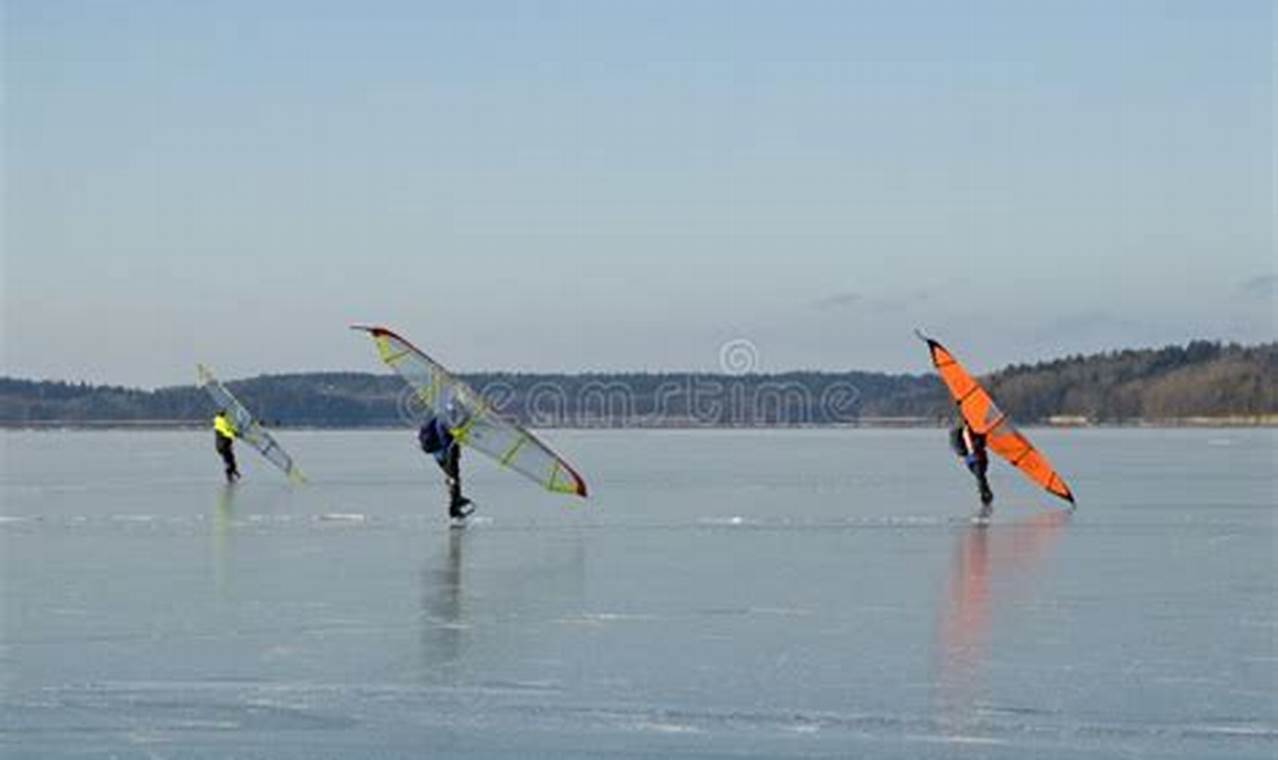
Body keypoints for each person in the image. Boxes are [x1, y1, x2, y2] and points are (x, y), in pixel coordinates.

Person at [419, 410, 473, 520]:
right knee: (454, 476)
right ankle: (454, 507)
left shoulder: (440, 418)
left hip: (438, 452)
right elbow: (447, 436)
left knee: (451, 476)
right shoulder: (444, 421)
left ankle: (456, 500)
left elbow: (455, 429)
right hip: (445, 452)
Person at [950, 421, 993, 517]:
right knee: (980, 476)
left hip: (973, 458)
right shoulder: (966, 430)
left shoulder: (970, 430)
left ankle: (985, 495)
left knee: (980, 476)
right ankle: (985, 495)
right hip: (974, 457)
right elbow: (970, 442)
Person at [213, 409, 241, 483]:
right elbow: (224, 432)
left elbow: (229, 428)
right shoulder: (218, 421)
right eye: (223, 413)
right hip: (222, 446)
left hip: (226, 445)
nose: (225, 414)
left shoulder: (225, 420)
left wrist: (235, 432)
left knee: (231, 459)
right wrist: (234, 434)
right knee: (228, 460)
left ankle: (233, 472)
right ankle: (230, 476)